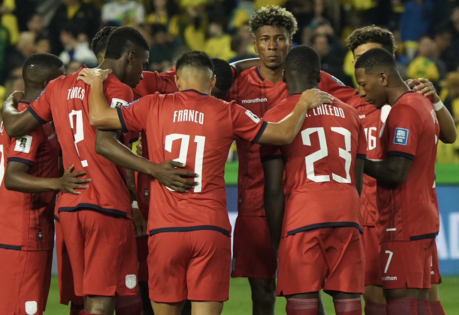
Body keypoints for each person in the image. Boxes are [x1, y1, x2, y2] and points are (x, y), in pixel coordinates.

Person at [77, 50, 333, 315]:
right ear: (212, 83)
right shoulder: (229, 111)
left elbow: (98, 117)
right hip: (210, 230)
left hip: (165, 229)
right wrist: (303, 104)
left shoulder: (152, 105)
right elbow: (282, 134)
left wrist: (96, 82)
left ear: (176, 81)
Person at [0, 26, 196, 315]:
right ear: (130, 57)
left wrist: (7, 103)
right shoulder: (119, 90)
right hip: (105, 204)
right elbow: (106, 145)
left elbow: (16, 126)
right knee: (103, 302)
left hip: (69, 208)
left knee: (88, 298)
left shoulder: (58, 86)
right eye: (142, 64)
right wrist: (156, 170)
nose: (142, 73)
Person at [345, 25, 456, 315]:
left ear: (386, 63)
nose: (361, 68)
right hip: (375, 213)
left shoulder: (407, 103)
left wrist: (353, 158)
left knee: (409, 295)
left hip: (399, 215)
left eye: (369, 58)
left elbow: (398, 169)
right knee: (393, 295)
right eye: (357, 60)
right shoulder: (355, 100)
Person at [261, 45, 366, 315]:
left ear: (284, 75)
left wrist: (277, 242)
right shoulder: (351, 114)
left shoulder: (275, 117)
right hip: (347, 213)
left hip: (303, 215)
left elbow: (273, 190)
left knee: (302, 302)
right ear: (319, 76)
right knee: (349, 301)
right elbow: (357, 179)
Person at [0, 53, 83, 315]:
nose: (65, 83)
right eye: (61, 78)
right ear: (48, 84)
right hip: (23, 230)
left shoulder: (23, 116)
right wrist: (59, 183)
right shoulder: (30, 125)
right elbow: (14, 177)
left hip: (27, 229)